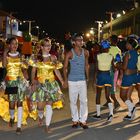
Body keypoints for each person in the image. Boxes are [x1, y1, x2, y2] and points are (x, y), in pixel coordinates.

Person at [30, 38, 64, 133]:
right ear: (41, 47)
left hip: (51, 84)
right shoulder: (37, 58)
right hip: (41, 84)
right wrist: (33, 81)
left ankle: (47, 126)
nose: (48, 47)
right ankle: (40, 117)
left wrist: (62, 81)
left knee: (49, 104)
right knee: (40, 107)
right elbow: (33, 71)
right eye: (46, 45)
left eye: (49, 45)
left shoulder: (53, 57)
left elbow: (56, 70)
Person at [1, 37, 29, 134]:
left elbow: (25, 67)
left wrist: (26, 62)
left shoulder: (20, 55)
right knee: (12, 104)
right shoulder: (7, 55)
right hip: (11, 82)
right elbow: (4, 65)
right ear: (9, 45)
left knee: (20, 103)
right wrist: (4, 53)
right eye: (13, 43)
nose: (15, 45)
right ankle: (12, 117)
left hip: (20, 81)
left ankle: (19, 126)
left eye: (16, 44)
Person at [63, 33, 89, 129]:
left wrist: (88, 78)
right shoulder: (70, 53)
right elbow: (65, 67)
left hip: (82, 80)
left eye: (82, 40)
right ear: (74, 42)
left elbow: (86, 65)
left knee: (83, 101)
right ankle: (75, 120)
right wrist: (65, 80)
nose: (81, 42)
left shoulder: (86, 52)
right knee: (73, 101)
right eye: (78, 40)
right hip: (72, 81)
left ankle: (83, 120)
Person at [93, 40, 114, 122]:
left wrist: (94, 80)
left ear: (101, 48)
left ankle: (98, 115)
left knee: (98, 95)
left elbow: (96, 69)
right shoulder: (111, 56)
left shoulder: (97, 56)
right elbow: (114, 68)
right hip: (108, 76)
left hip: (101, 76)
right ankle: (111, 114)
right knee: (107, 96)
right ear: (108, 48)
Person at [120, 38, 138, 120]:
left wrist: (117, 65)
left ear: (130, 45)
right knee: (128, 96)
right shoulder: (136, 53)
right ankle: (131, 115)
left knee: (122, 96)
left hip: (127, 77)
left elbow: (124, 67)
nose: (126, 45)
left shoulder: (127, 53)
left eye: (127, 43)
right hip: (134, 76)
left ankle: (132, 108)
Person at [103, 35, 121, 110]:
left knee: (110, 86)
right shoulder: (118, 50)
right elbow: (118, 61)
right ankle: (108, 100)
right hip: (113, 70)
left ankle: (116, 102)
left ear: (112, 41)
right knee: (108, 86)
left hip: (111, 70)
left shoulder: (108, 49)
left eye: (110, 40)